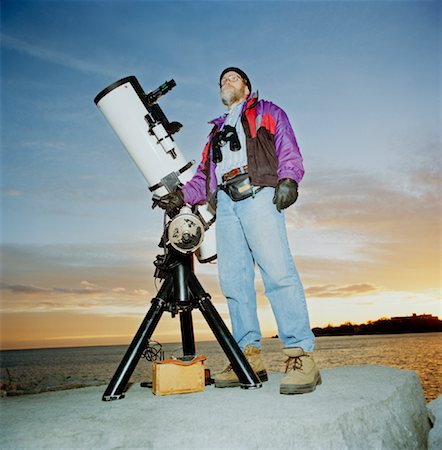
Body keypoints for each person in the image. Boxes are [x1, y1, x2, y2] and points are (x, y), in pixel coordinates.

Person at [157, 67, 321, 395]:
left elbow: (287, 146)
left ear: (246, 86)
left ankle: (301, 356)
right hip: (227, 206)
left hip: (259, 194)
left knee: (278, 273)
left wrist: (289, 179)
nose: (226, 82)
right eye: (221, 81)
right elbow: (204, 175)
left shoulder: (267, 111)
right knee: (233, 280)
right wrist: (180, 195)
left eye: (232, 78)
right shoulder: (215, 132)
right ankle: (248, 357)